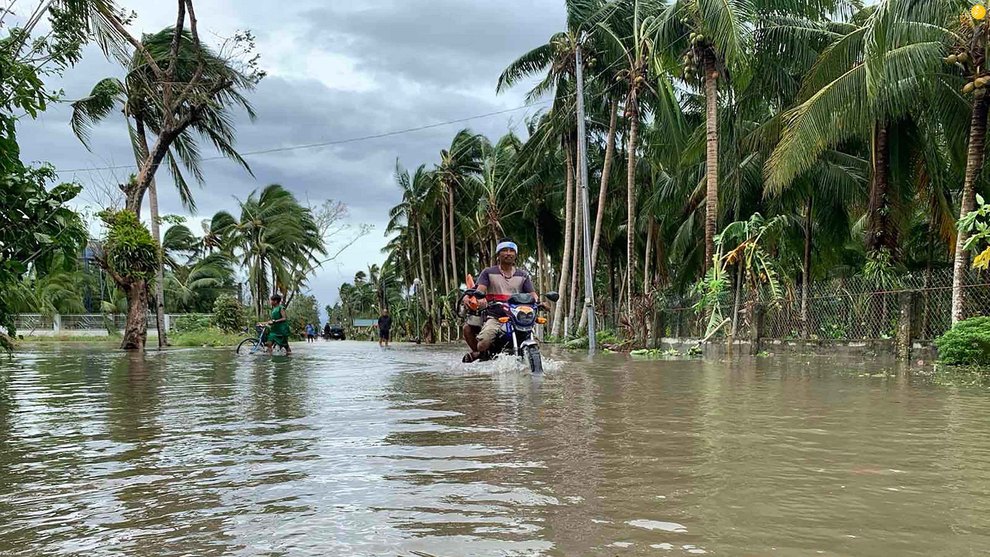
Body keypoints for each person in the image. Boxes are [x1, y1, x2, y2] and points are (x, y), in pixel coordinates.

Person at [463, 238, 539, 363]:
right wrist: (477, 297)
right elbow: (480, 289)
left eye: (511, 250)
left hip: (517, 317)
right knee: (483, 343)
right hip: (495, 316)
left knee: (535, 340)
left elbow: (533, 295)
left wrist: (540, 302)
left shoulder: (523, 275)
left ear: (515, 254)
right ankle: (481, 354)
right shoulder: (488, 272)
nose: (508, 253)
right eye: (504, 250)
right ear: (498, 254)